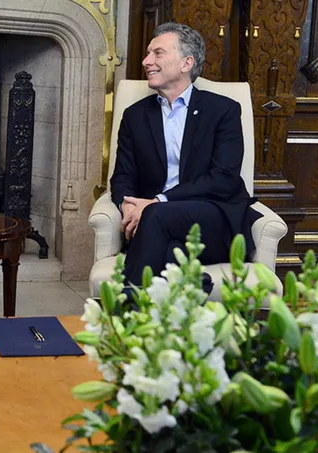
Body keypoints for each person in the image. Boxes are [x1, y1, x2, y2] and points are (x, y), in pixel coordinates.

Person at [109, 22, 260, 289]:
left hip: (212, 219)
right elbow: (122, 176)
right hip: (154, 224)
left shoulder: (223, 110)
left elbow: (224, 178)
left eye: (157, 53)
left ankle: (126, 303)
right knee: (169, 250)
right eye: (147, 53)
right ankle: (191, 284)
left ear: (186, 63)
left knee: (156, 214)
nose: (146, 61)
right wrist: (128, 207)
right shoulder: (135, 116)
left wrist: (157, 201)